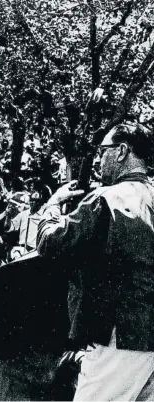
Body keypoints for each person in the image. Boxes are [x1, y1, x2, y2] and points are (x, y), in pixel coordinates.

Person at [37, 123, 154, 401]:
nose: (99, 160)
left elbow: (49, 244)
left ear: (122, 151)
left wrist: (51, 206)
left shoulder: (106, 199)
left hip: (118, 338)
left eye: (103, 151)